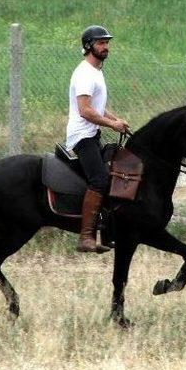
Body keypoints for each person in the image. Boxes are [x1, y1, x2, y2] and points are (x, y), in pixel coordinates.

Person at [66, 25, 129, 253]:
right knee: (99, 180)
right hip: (82, 135)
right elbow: (85, 110)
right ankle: (85, 237)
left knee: (110, 177)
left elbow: (97, 108)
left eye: (107, 42)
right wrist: (113, 124)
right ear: (88, 46)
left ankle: (106, 232)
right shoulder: (84, 73)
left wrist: (116, 119)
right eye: (101, 43)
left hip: (92, 133)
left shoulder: (96, 72)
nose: (106, 47)